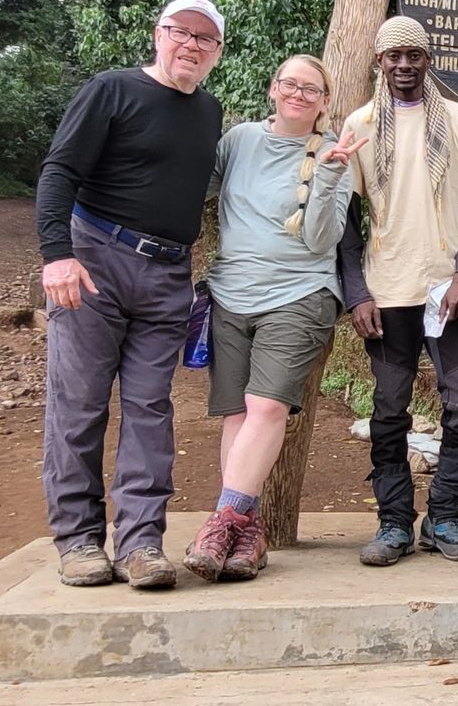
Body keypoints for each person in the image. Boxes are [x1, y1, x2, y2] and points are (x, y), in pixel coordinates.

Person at [36, 0, 225, 589]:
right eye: (181, 32)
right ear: (158, 34)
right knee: (80, 401)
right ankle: (79, 540)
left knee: (150, 408)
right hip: (94, 257)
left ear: (217, 53)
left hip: (168, 272)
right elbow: (59, 171)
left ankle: (141, 541)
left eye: (205, 38)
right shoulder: (111, 89)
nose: (191, 44)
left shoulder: (209, 112)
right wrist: (56, 256)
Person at [182, 55, 367, 582]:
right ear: (272, 88)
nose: (299, 94)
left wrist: (332, 176)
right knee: (237, 417)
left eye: (312, 89)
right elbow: (194, 189)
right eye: (290, 84)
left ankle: (220, 522)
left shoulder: (332, 153)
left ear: (325, 101)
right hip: (229, 292)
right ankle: (248, 532)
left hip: (299, 294)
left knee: (265, 407)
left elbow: (321, 240)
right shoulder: (238, 141)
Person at [340, 15, 458, 566]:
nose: (404, 65)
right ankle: (394, 522)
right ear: (379, 63)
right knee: (388, 408)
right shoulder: (358, 127)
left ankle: (447, 516)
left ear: (428, 60)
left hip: (445, 293)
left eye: (414, 55)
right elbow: (345, 223)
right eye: (393, 56)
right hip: (385, 294)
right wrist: (356, 294)